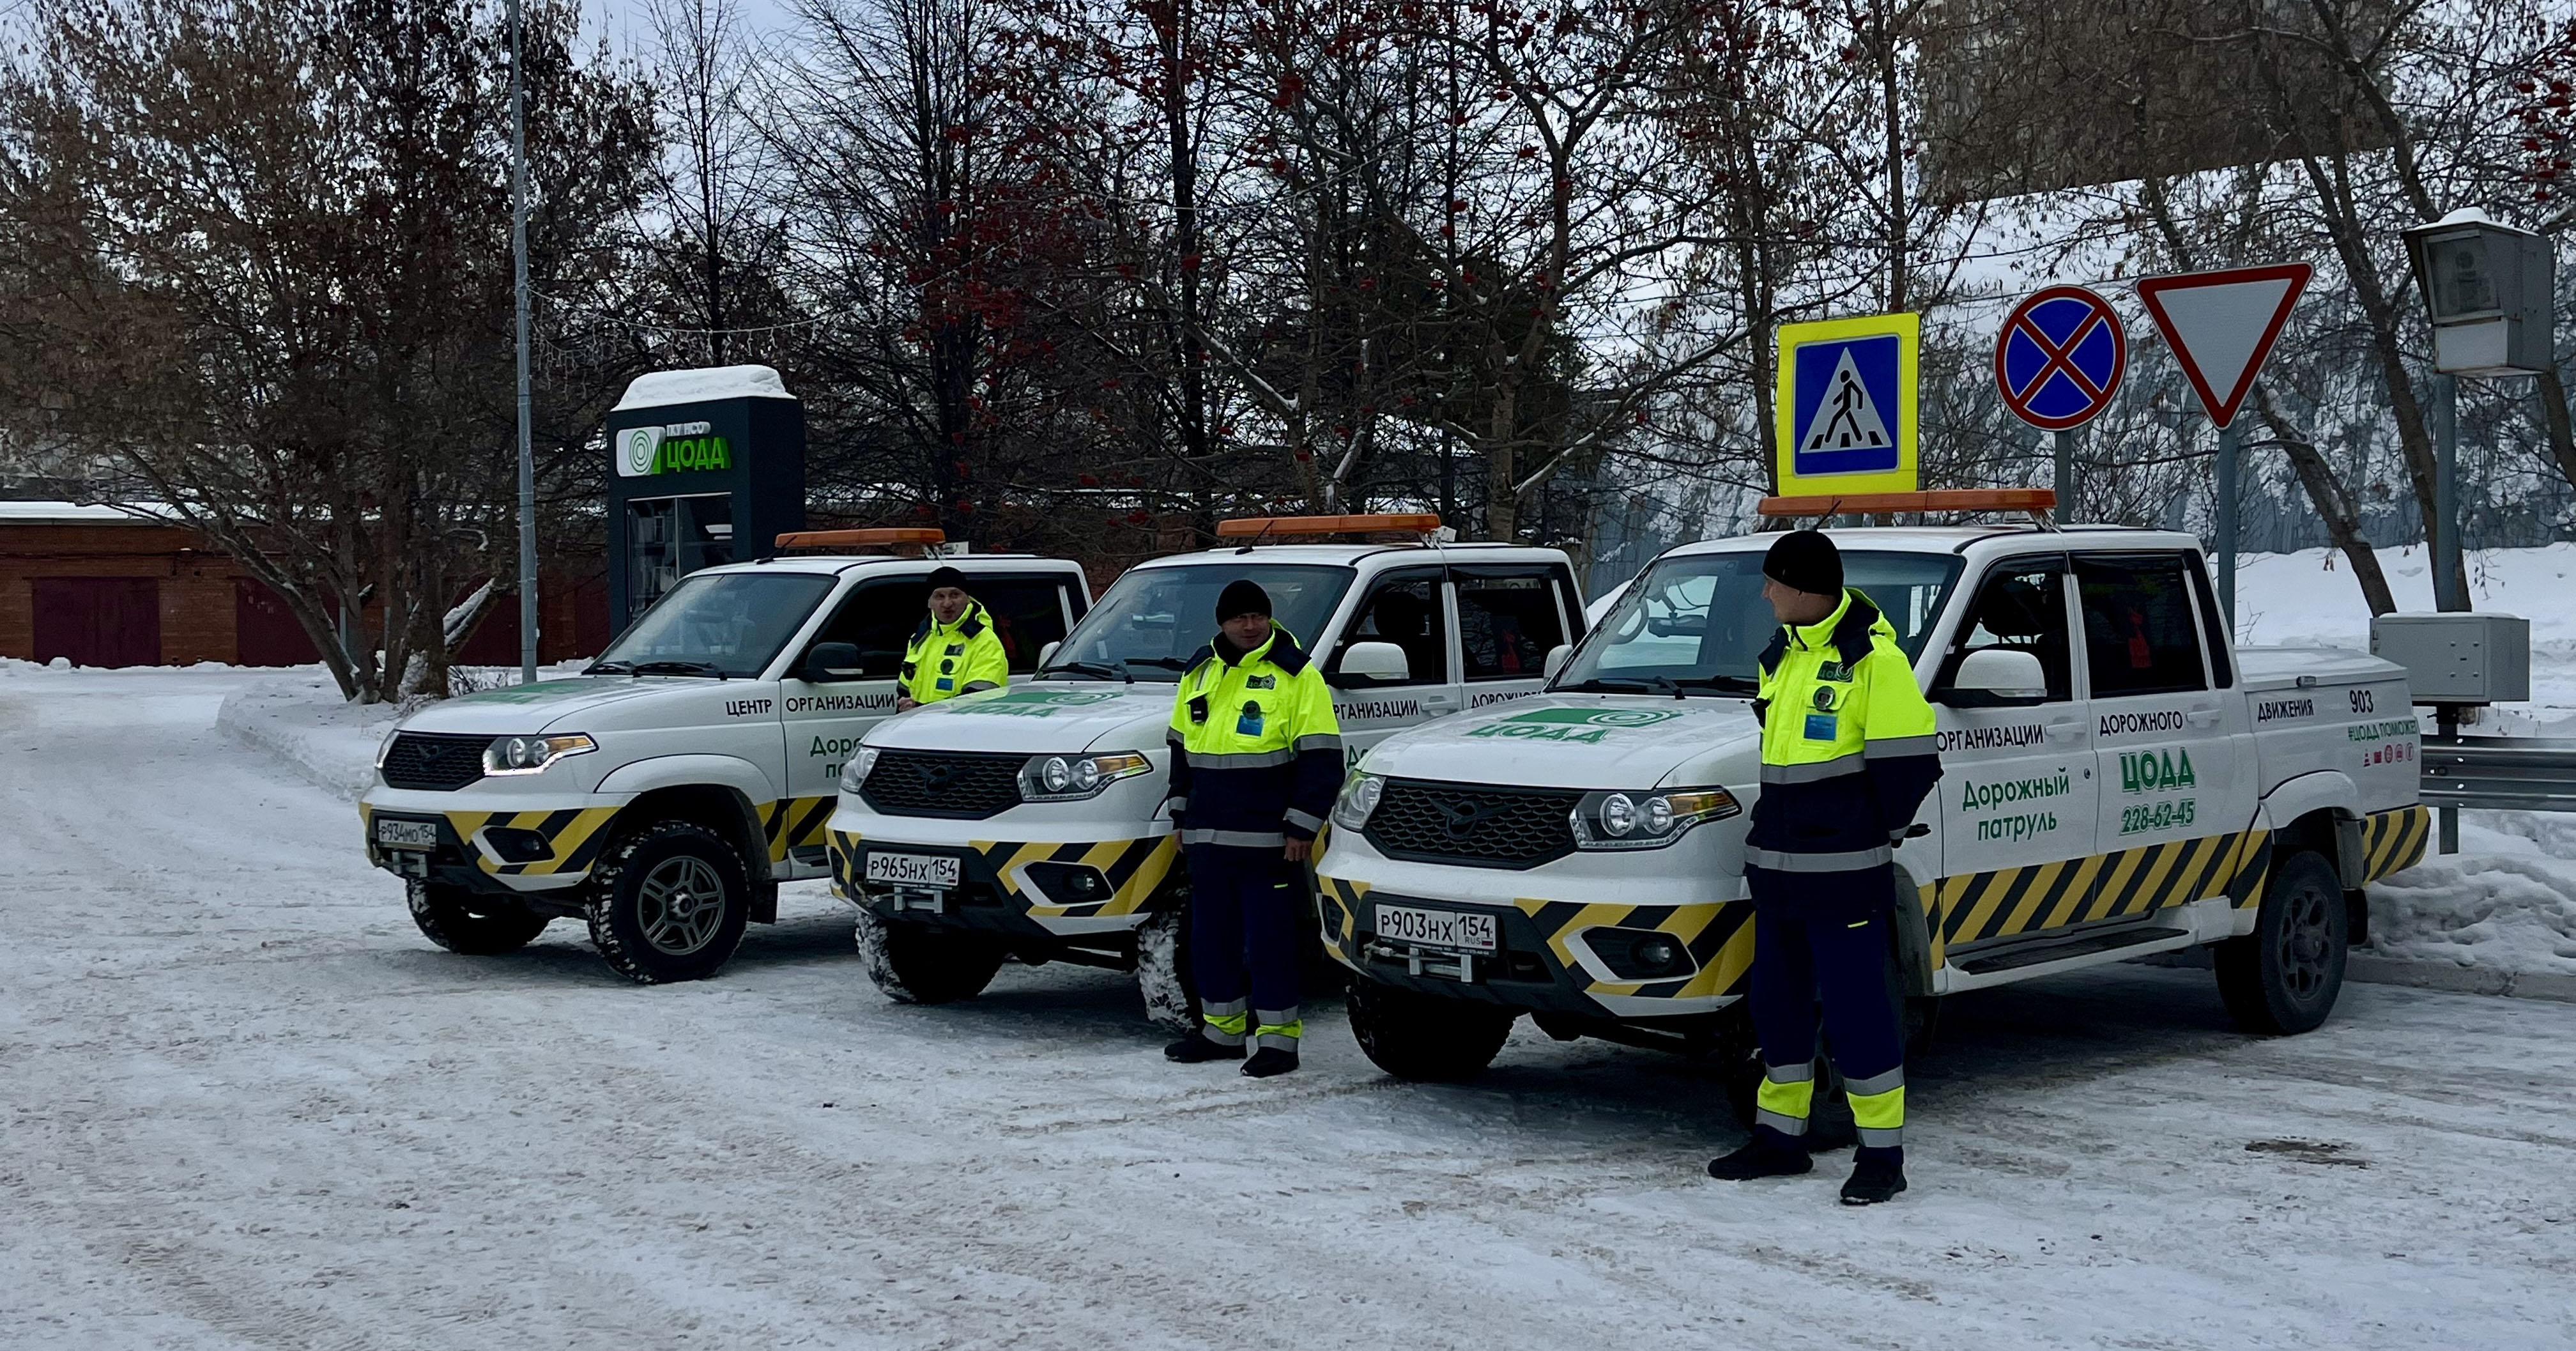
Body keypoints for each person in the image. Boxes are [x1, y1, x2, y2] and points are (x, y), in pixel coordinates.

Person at [1706, 530, 1943, 1205]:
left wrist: (1864, 830)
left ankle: (1881, 1156)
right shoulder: (1782, 652)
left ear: (1805, 587)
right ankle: (1780, 1140)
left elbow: (1911, 764)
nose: (1766, 592)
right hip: (1779, 875)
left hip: (1844, 877)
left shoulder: (1874, 659)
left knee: (1857, 1012)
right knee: (1776, 1009)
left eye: (1774, 581)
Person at [1160, 580, 1342, 1077]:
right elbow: (1181, 751)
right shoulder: (1198, 672)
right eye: (1238, 618)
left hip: (1270, 841)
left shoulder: (1297, 674)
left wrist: (1302, 827)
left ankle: (1279, 1042)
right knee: (1210, 940)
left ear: (1268, 619)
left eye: (1256, 616)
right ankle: (1221, 1032)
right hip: (1206, 837)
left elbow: (1322, 759)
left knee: (1270, 943)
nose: (1248, 625)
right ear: (1221, 622)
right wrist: (1180, 815)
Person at [898, 566, 1009, 710]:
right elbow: (904, 688)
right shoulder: (921, 639)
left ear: (968, 599)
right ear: (929, 602)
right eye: (939, 596)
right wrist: (905, 705)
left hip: (962, 730)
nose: (947, 604)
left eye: (955, 595)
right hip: (921, 727)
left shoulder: (984, 641)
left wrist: (920, 709)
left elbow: (979, 701)